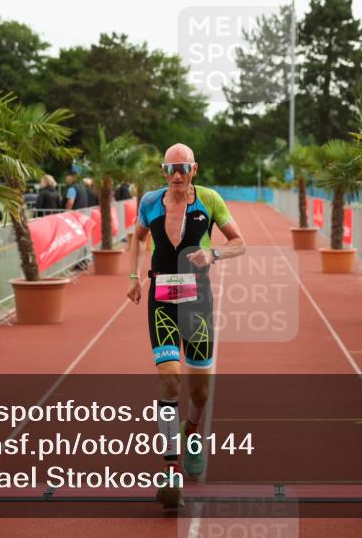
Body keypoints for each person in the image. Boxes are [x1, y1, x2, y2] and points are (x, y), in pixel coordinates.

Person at [126, 143, 245, 509]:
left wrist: (213, 253)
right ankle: (170, 468)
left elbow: (239, 243)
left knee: (200, 392)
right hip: (161, 297)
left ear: (194, 169)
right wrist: (133, 277)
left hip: (198, 300)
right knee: (169, 377)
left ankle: (191, 431)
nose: (176, 175)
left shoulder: (209, 200)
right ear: (163, 171)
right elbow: (137, 238)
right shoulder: (150, 202)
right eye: (170, 169)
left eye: (183, 168)